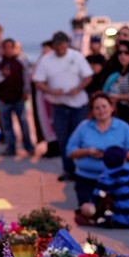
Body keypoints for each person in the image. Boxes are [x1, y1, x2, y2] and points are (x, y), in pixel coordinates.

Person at [33, 31, 94, 181]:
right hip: (59, 105)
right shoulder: (46, 60)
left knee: (80, 138)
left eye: (62, 43)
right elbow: (38, 81)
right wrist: (51, 91)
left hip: (78, 104)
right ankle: (68, 170)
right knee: (63, 139)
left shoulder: (76, 56)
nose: (60, 47)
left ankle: (82, 169)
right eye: (57, 44)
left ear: (67, 43)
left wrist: (78, 89)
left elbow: (88, 76)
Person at [66, 92, 129, 208]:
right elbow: (70, 151)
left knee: (115, 210)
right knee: (88, 210)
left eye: (104, 106)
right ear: (92, 111)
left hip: (116, 179)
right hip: (87, 178)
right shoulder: (84, 126)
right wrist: (87, 151)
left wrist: (113, 155)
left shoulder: (122, 127)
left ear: (111, 108)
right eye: (97, 108)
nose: (101, 111)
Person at [78, 146, 129, 228]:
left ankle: (95, 221)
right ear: (124, 160)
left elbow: (95, 200)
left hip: (122, 220)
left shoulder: (107, 178)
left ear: (104, 162)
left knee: (86, 207)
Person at [0, 38, 34, 156]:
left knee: (24, 123)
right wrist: (2, 75)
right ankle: (11, 147)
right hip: (3, 99)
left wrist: (26, 92)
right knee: (6, 125)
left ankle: (28, 146)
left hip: (19, 98)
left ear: (14, 48)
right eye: (6, 47)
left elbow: (26, 79)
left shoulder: (21, 61)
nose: (8, 49)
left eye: (10, 47)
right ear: (3, 49)